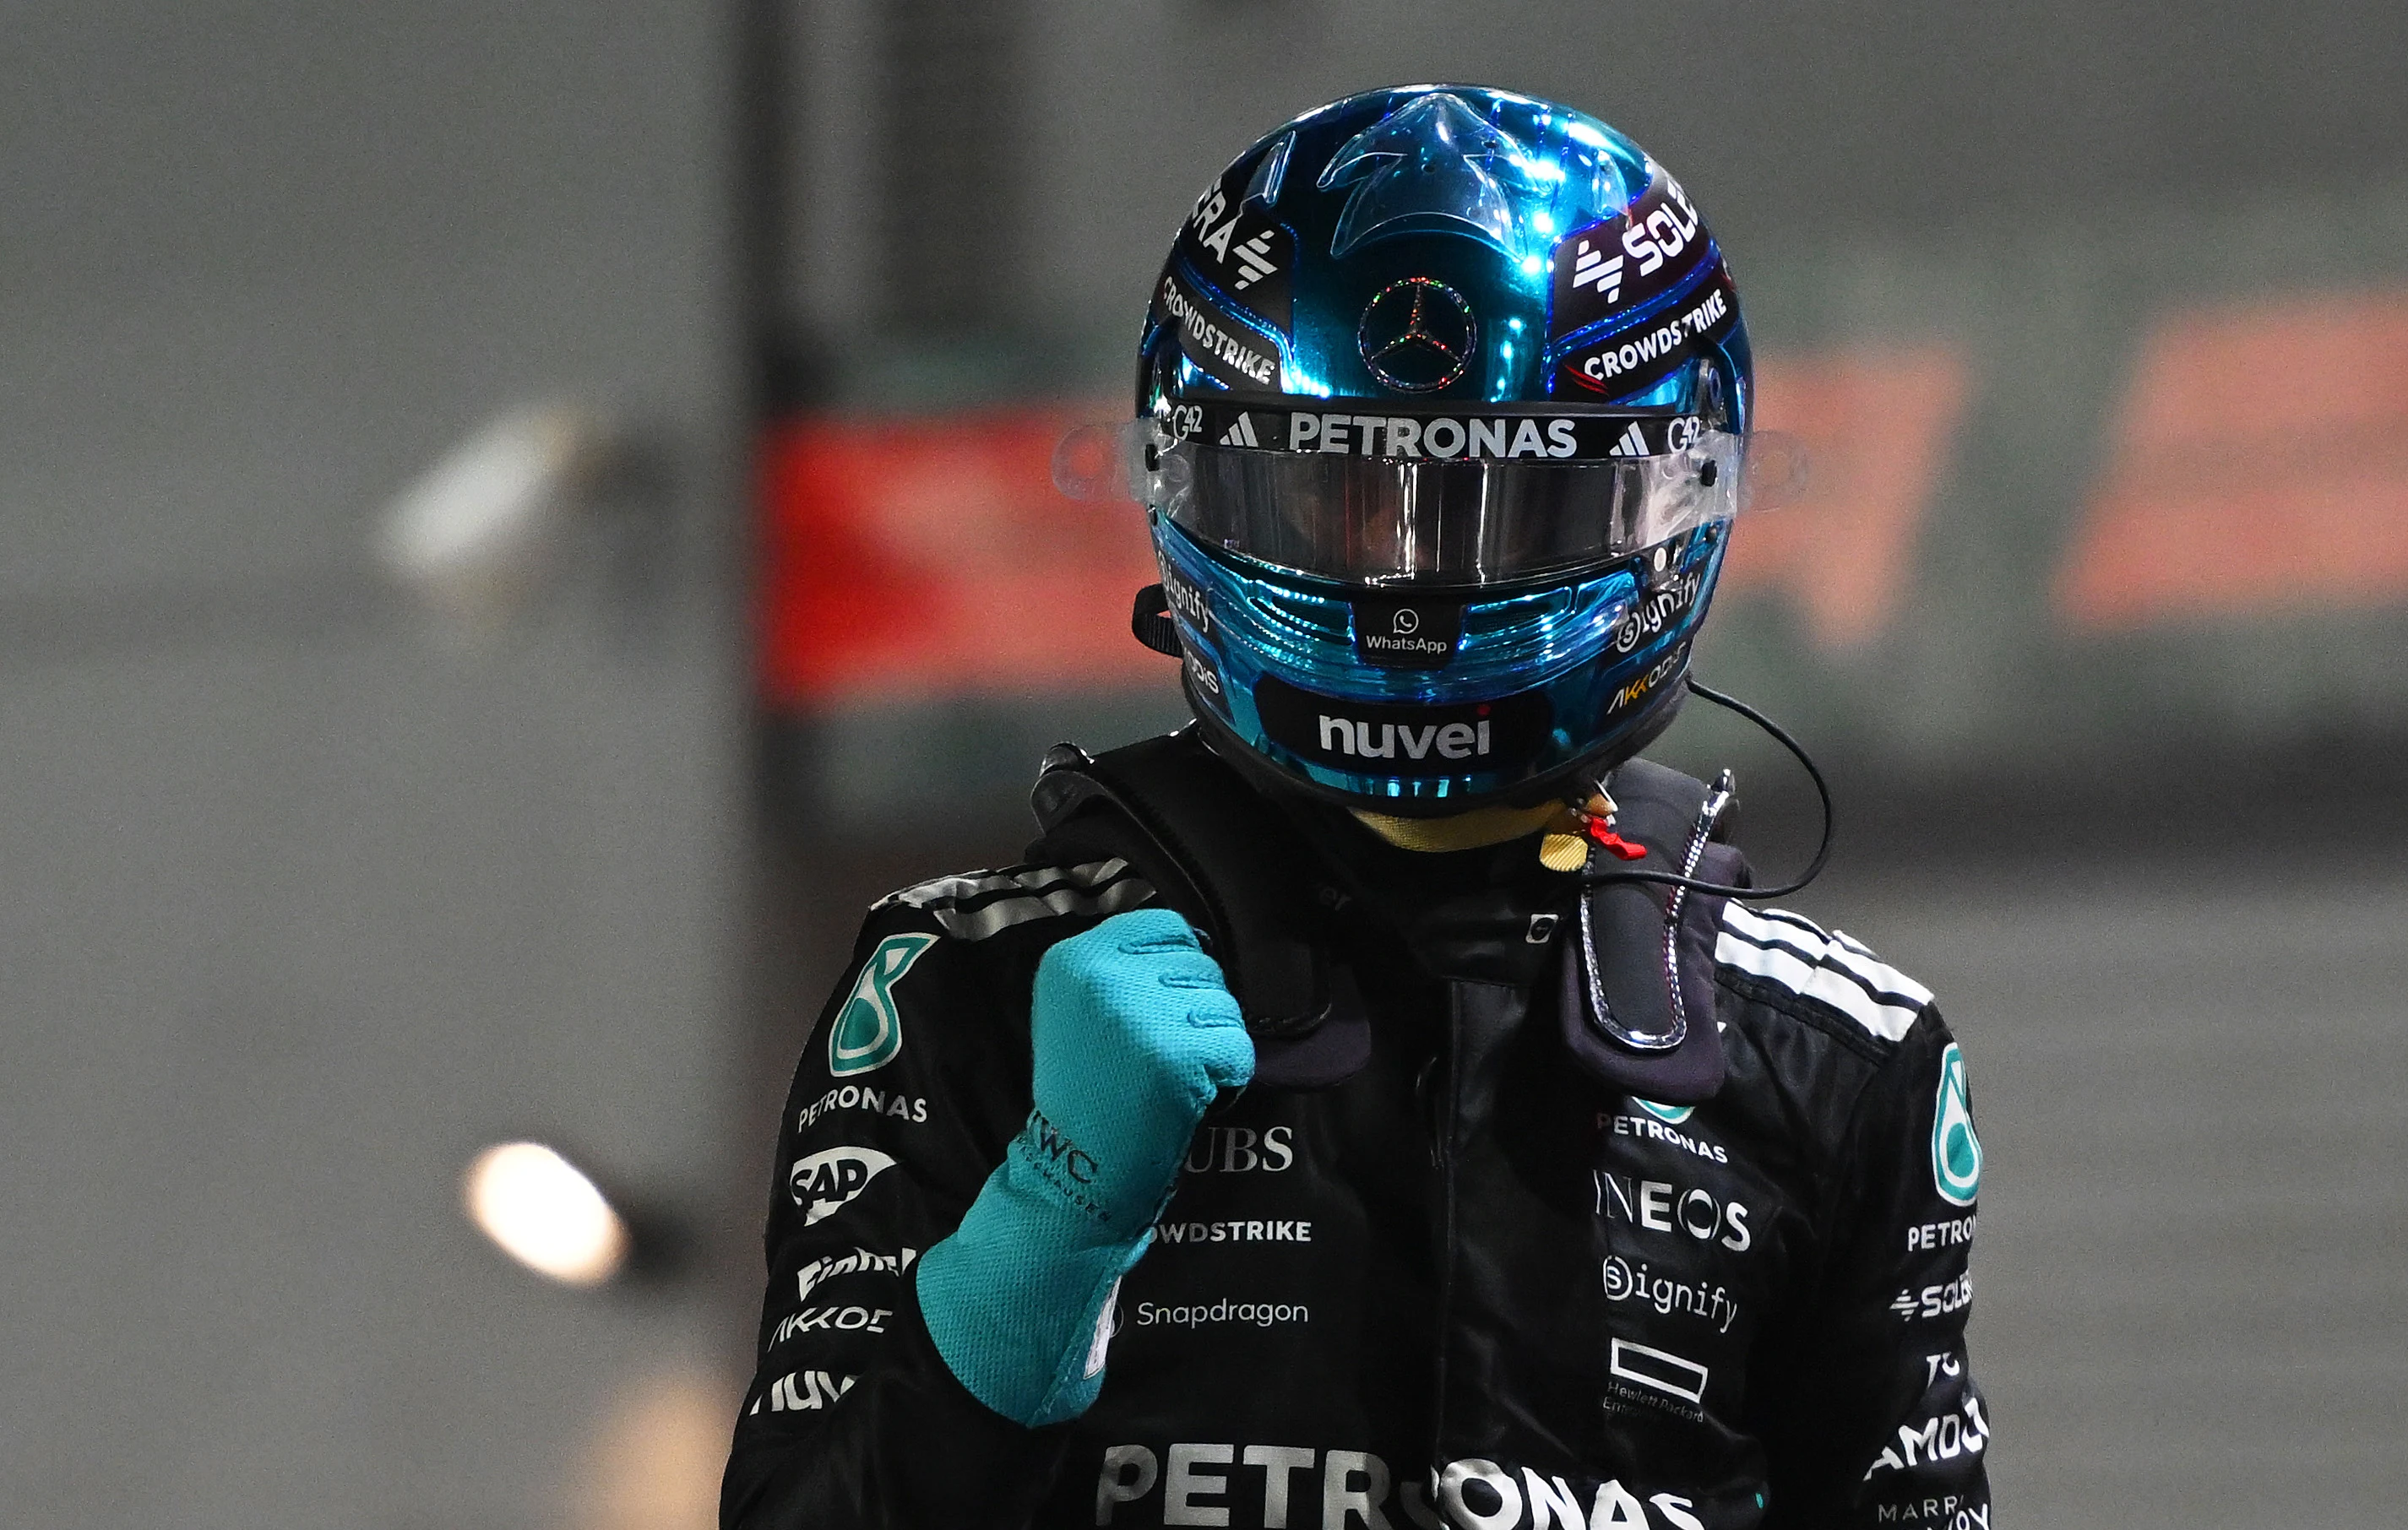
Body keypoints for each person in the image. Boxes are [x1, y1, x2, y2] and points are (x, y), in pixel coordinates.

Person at [721, 85, 1992, 1530]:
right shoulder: (964, 992)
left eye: (1495, 507)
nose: (1407, 583)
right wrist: (1048, 1225)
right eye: (1333, 500)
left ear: (1669, 508)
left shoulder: (1841, 1059)